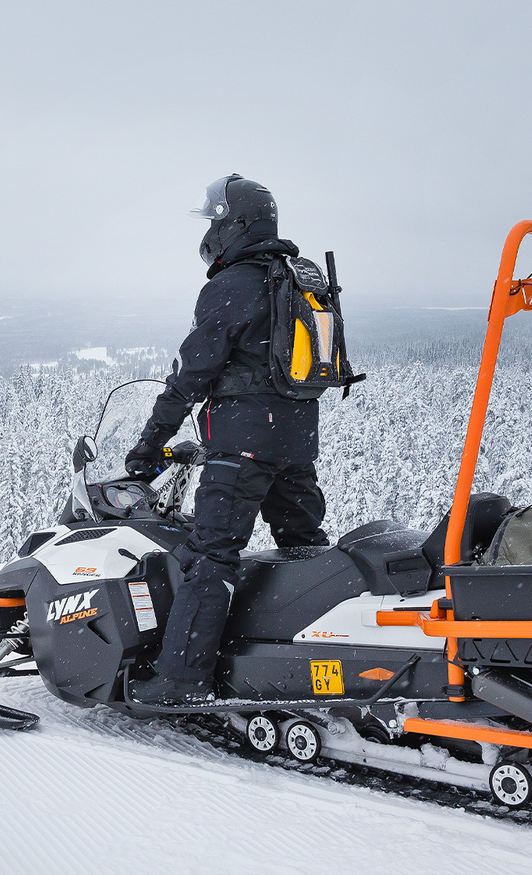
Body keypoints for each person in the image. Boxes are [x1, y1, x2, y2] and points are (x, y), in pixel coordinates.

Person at [124, 174, 330, 706]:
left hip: (241, 449)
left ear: (233, 224)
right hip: (296, 444)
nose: (210, 231)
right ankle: (311, 656)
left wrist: (148, 449)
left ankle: (179, 681)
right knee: (304, 549)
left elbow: (190, 378)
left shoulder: (232, 285)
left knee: (211, 557)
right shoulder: (294, 277)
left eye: (213, 219)